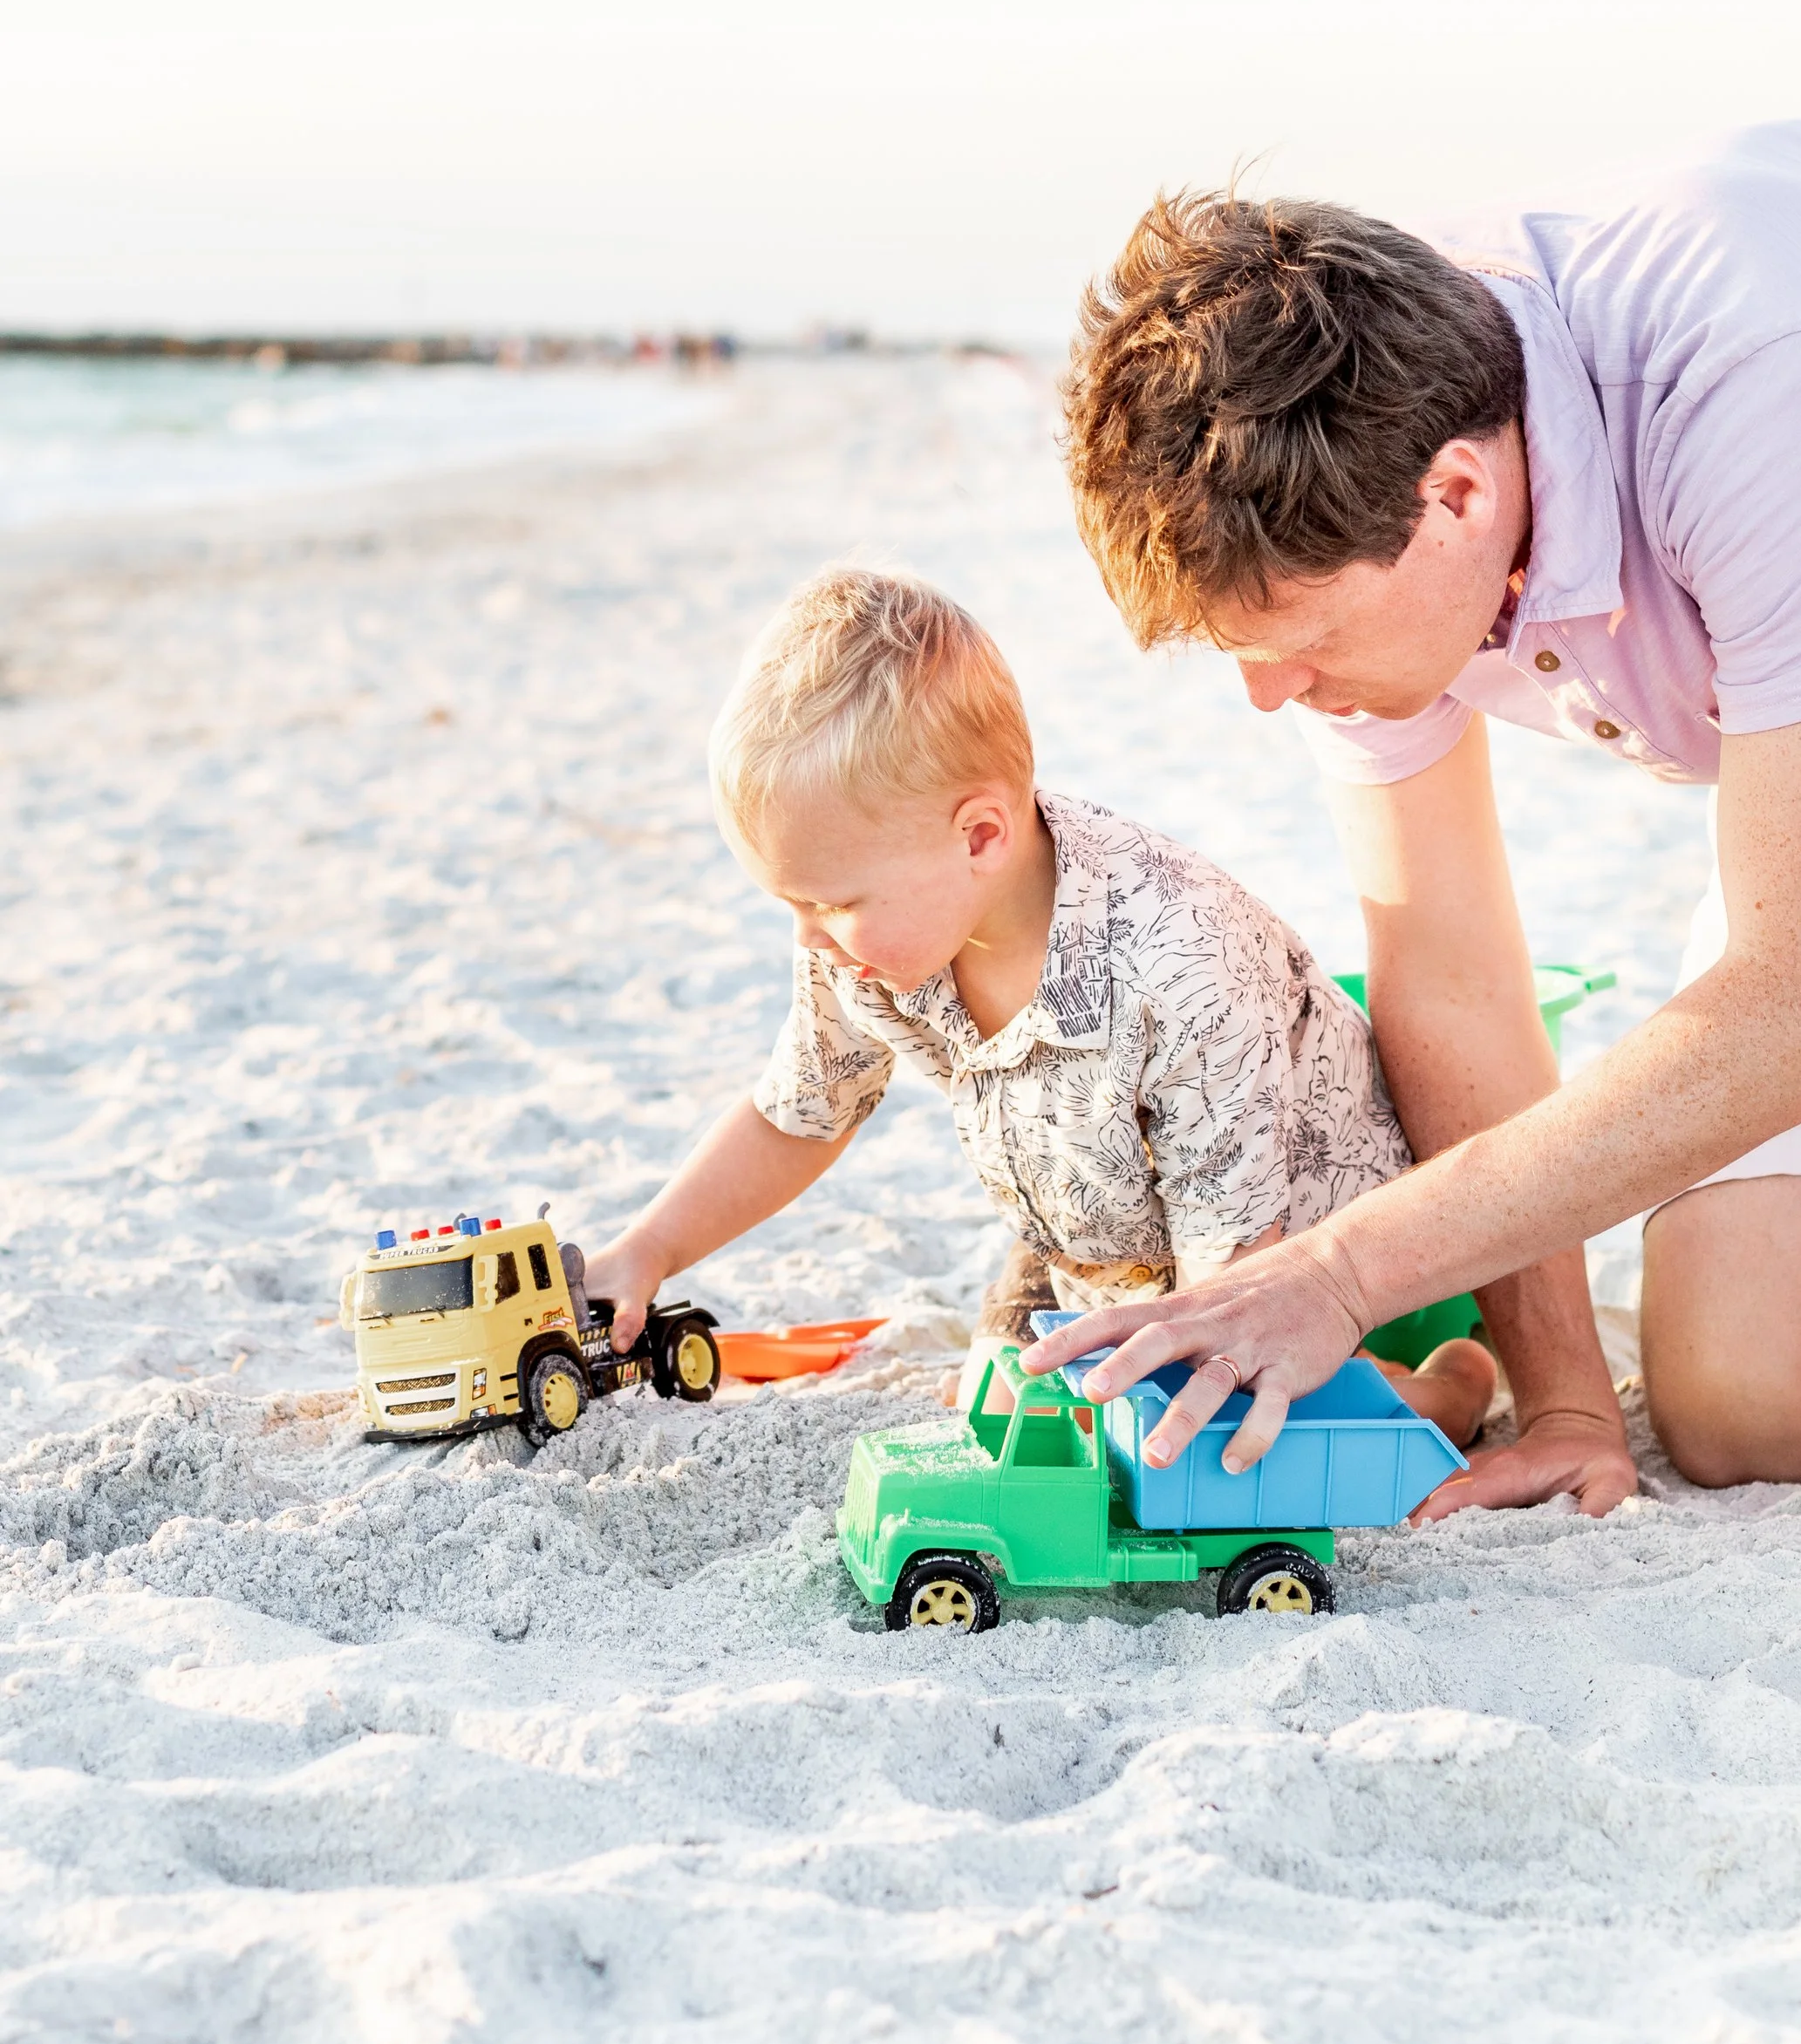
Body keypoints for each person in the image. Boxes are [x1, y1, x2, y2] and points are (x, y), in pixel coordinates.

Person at [1035, 121, 1801, 1508]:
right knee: (1752, 1391)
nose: (1274, 694)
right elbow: (1451, 977)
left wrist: (1340, 1273)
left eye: (1294, 641)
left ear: (1458, 493)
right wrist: (1567, 1398)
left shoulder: (1764, 366)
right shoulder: (1351, 502)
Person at [579, 563, 1497, 1448]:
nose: (808, 938)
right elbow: (800, 1113)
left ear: (979, 836)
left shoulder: (1176, 965)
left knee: (1236, 1428)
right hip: (1082, 1216)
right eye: (791, 903)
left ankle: (1441, 1387)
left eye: (831, 903)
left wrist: (1177, 1366)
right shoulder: (870, 943)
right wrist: (648, 1250)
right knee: (997, 1398)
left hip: (1280, 1232)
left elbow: (1241, 1274)